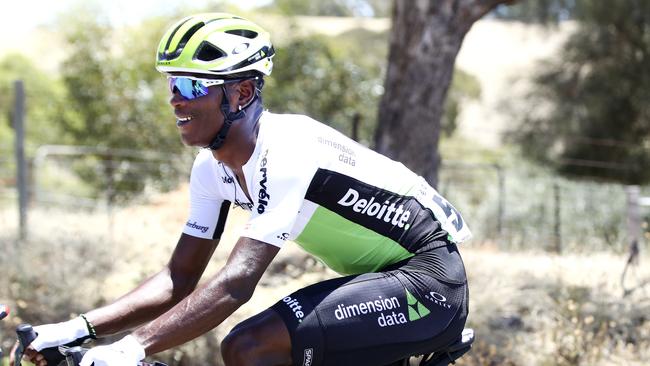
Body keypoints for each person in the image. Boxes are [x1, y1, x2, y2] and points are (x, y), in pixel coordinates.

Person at [13, 13, 472, 366]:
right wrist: (78, 329)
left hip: (428, 281)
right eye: (173, 84)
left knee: (248, 348)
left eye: (193, 84)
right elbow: (179, 279)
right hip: (379, 280)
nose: (176, 98)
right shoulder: (209, 169)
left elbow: (236, 284)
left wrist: (131, 348)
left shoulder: (290, 149)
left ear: (243, 94)